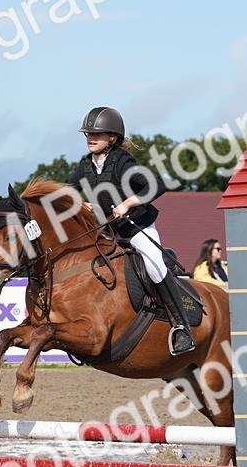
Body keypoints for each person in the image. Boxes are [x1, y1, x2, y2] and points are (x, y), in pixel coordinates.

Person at [67, 106, 192, 355]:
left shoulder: (123, 162)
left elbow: (156, 186)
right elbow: (64, 192)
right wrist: (79, 203)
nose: (91, 138)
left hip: (137, 226)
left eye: (98, 134)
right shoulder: (85, 166)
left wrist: (128, 203)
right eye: (88, 134)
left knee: (155, 265)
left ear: (112, 137)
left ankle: (181, 327)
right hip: (108, 232)